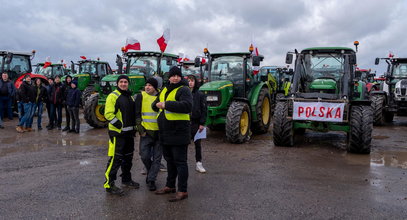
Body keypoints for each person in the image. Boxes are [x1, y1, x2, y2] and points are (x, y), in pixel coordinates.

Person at [153, 66, 192, 202]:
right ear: (168, 77)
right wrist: (156, 104)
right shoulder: (164, 89)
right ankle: (170, 186)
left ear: (181, 77)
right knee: (170, 161)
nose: (175, 78)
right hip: (165, 132)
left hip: (179, 132)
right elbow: (156, 103)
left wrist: (166, 104)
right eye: (173, 75)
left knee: (180, 162)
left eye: (177, 76)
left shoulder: (184, 89)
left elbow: (187, 106)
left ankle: (182, 190)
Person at [104, 75, 139, 196]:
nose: (123, 84)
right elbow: (108, 114)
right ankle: (109, 184)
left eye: (125, 82)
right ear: (117, 83)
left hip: (129, 134)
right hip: (118, 134)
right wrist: (119, 126)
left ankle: (126, 180)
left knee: (128, 159)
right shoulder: (113, 96)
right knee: (116, 159)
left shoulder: (129, 97)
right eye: (121, 82)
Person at [135, 77, 162, 191]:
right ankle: (151, 172)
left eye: (150, 85)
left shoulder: (161, 97)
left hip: (159, 134)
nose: (147, 87)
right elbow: (136, 114)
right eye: (146, 85)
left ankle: (151, 180)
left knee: (157, 159)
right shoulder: (141, 96)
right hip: (146, 133)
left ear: (155, 87)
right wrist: (140, 129)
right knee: (144, 155)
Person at [187, 74, 207, 173]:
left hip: (196, 123)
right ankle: (182, 163)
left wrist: (202, 123)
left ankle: (198, 163)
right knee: (183, 144)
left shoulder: (200, 94)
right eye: (188, 80)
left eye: (192, 80)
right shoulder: (183, 93)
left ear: (195, 82)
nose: (190, 82)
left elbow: (204, 109)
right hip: (185, 123)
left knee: (197, 144)